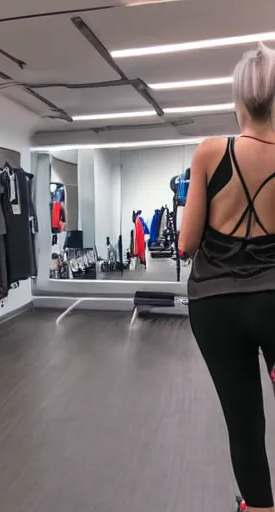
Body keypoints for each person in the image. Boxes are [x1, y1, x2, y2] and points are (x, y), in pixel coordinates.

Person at [180, 42, 275, 512]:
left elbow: (186, 243)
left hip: (215, 307)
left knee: (244, 422)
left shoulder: (209, 152)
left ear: (238, 101)